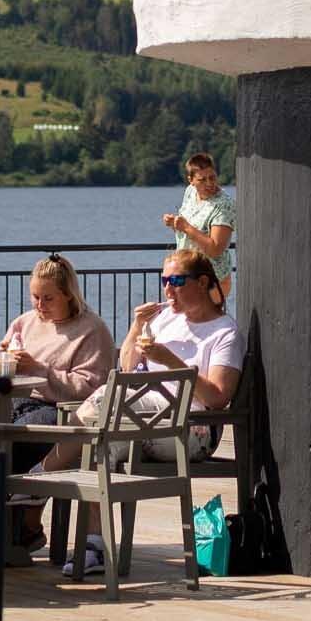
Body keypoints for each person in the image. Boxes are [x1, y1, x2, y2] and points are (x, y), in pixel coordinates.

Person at [60, 247, 244, 580]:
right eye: (164, 281)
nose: (167, 289)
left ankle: (39, 474)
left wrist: (171, 361)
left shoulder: (224, 332)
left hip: (192, 430)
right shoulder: (164, 319)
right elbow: (127, 367)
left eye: (176, 280)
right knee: (102, 445)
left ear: (203, 283)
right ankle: (95, 545)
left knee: (103, 400)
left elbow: (217, 397)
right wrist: (136, 326)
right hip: (146, 420)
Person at [0, 253, 114, 561]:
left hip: (59, 411)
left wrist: (40, 369)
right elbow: (5, 374)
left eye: (48, 298)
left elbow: (91, 389)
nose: (39, 305)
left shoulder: (91, 330)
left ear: (68, 295)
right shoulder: (24, 323)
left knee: (1, 444)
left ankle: (12, 533)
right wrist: (4, 361)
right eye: (35, 297)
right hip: (14, 402)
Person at [163, 151, 234, 298]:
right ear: (191, 180)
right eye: (202, 180)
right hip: (186, 274)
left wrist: (186, 227)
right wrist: (175, 224)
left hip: (212, 280)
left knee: (200, 320)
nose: (209, 183)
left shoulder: (224, 205)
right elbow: (190, 227)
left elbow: (215, 249)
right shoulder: (190, 192)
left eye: (212, 177)